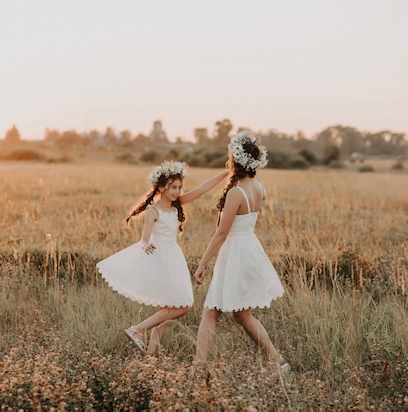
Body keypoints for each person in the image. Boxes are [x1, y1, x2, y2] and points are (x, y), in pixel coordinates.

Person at [97, 161, 228, 355]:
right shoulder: (153, 210)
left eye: (179, 187)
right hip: (162, 259)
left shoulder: (177, 205)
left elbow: (202, 188)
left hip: (174, 258)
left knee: (165, 310)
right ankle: (137, 329)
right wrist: (145, 244)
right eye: (172, 187)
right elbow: (144, 239)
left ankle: (151, 357)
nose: (177, 191)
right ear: (160, 187)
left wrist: (226, 172)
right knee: (182, 307)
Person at [193, 131, 289, 374]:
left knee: (211, 310)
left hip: (235, 251)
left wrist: (203, 263)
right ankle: (276, 360)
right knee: (241, 314)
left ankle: (198, 367)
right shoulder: (258, 186)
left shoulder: (236, 194)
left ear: (236, 161)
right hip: (249, 248)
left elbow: (221, 233)